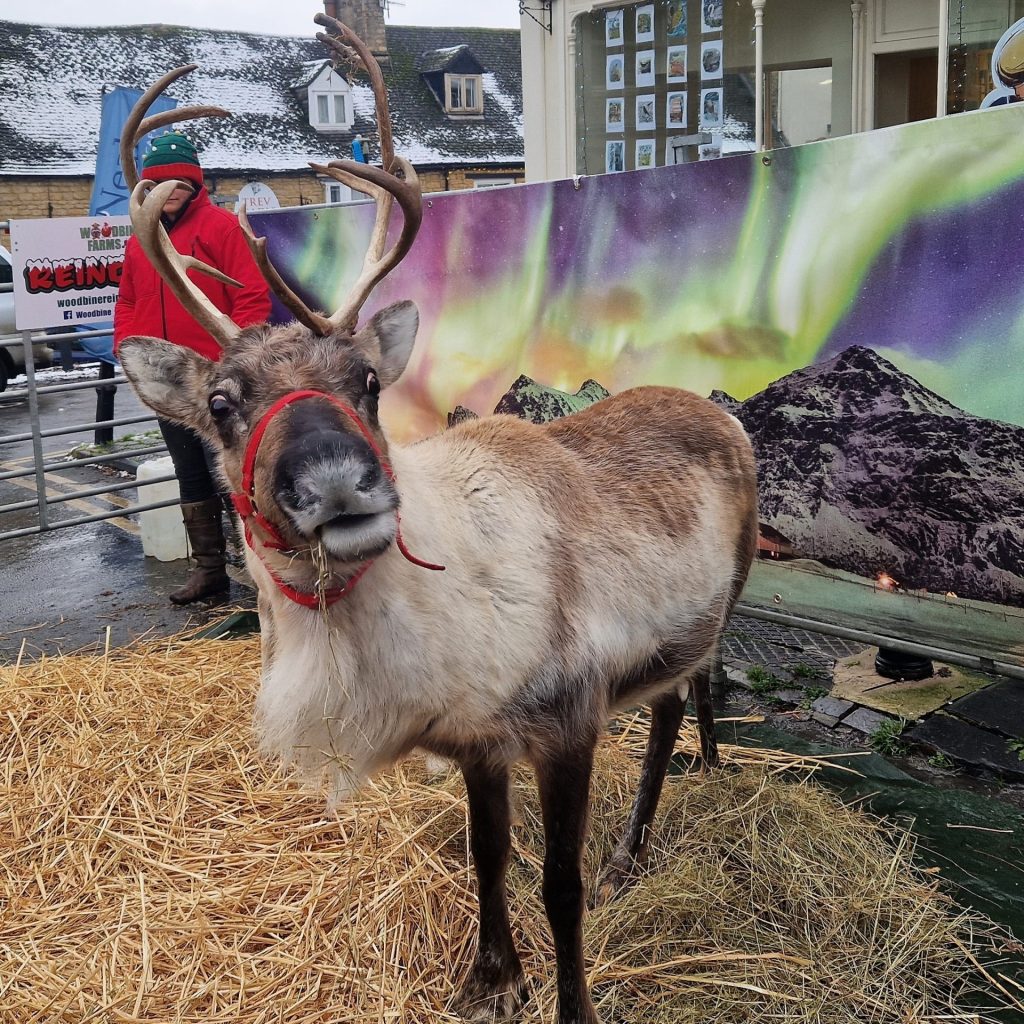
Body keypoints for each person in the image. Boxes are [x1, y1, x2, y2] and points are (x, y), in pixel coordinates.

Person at [114, 131, 272, 604]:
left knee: (233, 474)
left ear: (195, 182)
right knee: (191, 474)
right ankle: (210, 571)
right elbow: (127, 301)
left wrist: (232, 361)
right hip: (170, 384)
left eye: (180, 180)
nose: (171, 189)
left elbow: (252, 297)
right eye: (160, 182)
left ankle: (260, 569)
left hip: (215, 380)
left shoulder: (221, 229)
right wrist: (127, 348)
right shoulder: (141, 241)